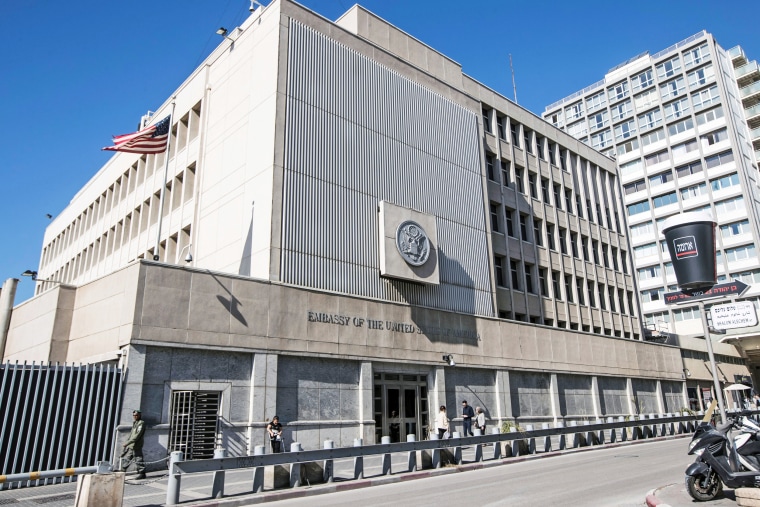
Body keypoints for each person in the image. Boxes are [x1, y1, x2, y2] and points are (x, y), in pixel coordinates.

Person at [121, 409, 146, 479]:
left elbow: (137, 435)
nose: (135, 416)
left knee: (138, 459)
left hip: (136, 444)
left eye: (136, 415)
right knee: (128, 458)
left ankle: (142, 473)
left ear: (140, 415)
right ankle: (122, 470)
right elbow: (132, 434)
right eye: (134, 415)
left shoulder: (141, 423)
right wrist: (128, 441)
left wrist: (128, 442)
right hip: (131, 445)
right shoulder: (135, 423)